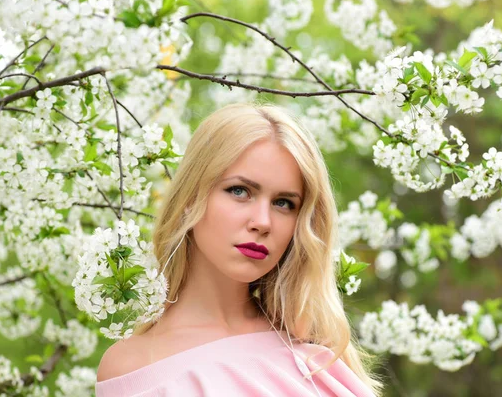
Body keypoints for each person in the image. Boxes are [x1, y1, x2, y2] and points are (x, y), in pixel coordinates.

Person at [95, 102, 384, 396]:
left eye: (283, 203)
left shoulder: (317, 356)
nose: (262, 222)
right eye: (239, 191)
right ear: (190, 199)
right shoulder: (133, 368)